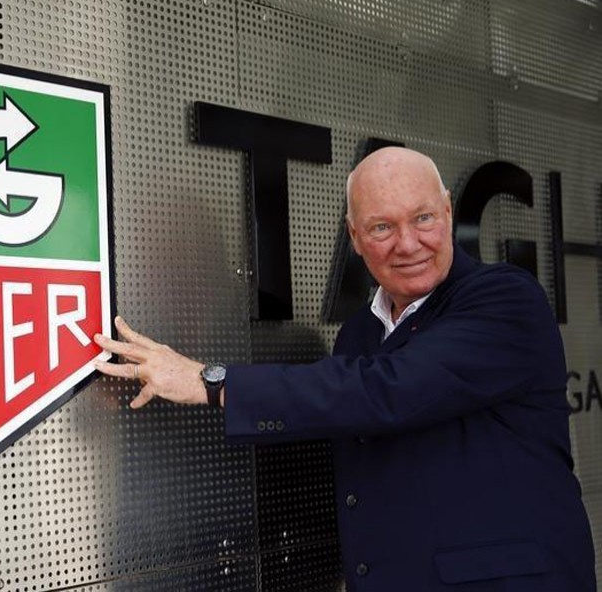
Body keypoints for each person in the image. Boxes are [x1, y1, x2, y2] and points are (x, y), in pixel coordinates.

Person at [93, 147, 596, 591]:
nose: (407, 243)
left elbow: (390, 391)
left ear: (448, 210)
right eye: (382, 227)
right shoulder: (359, 333)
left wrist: (208, 382)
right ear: (355, 238)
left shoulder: (506, 298)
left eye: (423, 218)